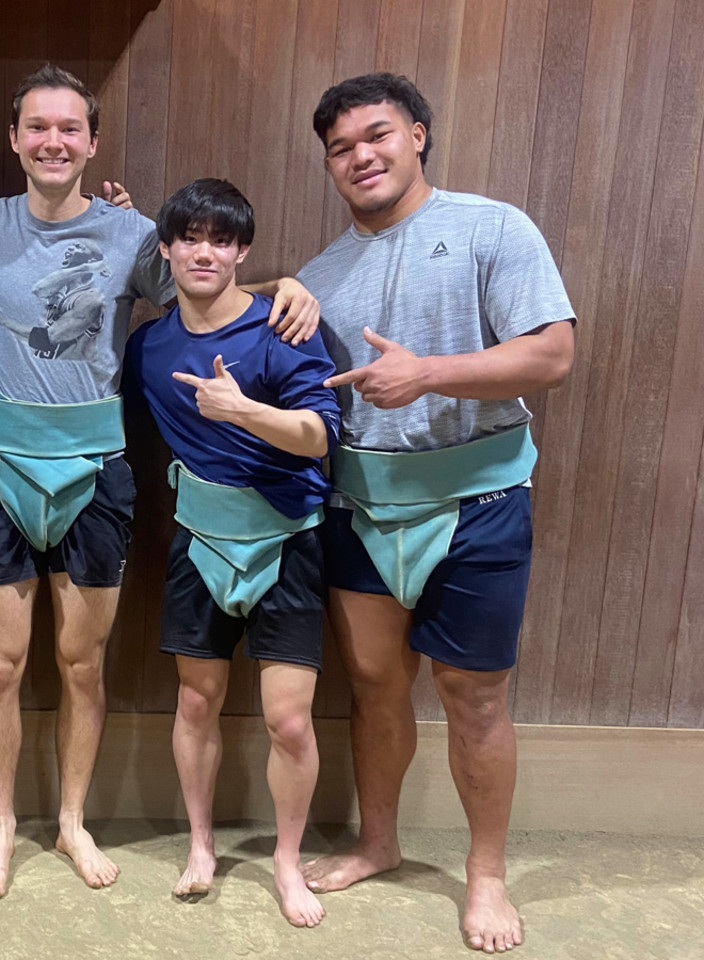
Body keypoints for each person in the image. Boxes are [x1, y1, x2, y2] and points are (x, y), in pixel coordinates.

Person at [0, 64, 321, 899]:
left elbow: (208, 289)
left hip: (96, 469)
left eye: (70, 128)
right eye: (38, 127)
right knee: (0, 664)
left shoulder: (136, 235)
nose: (53, 141)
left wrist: (288, 285)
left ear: (92, 140)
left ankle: (72, 821)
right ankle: (1, 826)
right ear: (14, 138)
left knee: (82, 664)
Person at [295, 73, 575, 953]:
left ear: (417, 134)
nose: (360, 157)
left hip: (478, 501)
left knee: (474, 696)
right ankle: (377, 842)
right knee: (375, 686)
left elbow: (553, 356)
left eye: (377, 135)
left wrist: (429, 373)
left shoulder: (492, 227)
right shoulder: (319, 275)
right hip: (361, 505)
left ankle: (486, 876)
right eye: (340, 148)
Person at [124, 178, 340, 927]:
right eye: (190, 238)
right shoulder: (148, 345)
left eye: (222, 240)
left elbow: (321, 434)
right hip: (199, 539)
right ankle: (200, 845)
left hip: (288, 538)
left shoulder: (283, 327)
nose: (204, 253)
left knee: (289, 721)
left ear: (243, 251)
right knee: (195, 701)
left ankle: (286, 860)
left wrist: (243, 411)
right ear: (166, 248)